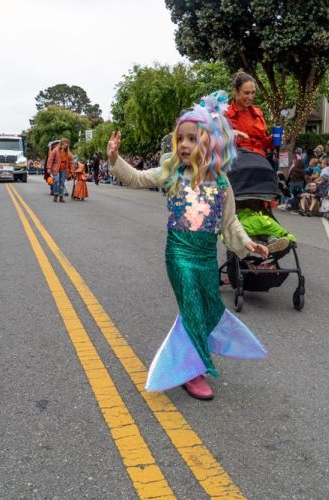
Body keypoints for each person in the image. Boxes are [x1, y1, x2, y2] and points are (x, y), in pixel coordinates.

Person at [107, 91, 268, 400]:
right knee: (191, 308)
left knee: (209, 310)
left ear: (208, 142)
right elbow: (137, 178)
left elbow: (230, 223)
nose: (183, 145)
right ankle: (192, 372)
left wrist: (248, 243)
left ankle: (189, 358)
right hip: (179, 255)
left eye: (192, 139)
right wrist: (115, 158)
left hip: (207, 257)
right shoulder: (171, 175)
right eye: (180, 138)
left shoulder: (221, 183)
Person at [225, 72, 273, 157]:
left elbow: (263, 143)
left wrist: (274, 139)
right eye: (246, 93)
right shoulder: (225, 113)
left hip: (259, 162)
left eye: (253, 92)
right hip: (237, 164)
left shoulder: (258, 113)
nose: (250, 97)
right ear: (236, 91)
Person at [47, 138, 74, 203]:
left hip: (64, 169)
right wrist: (49, 168)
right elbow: (50, 159)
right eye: (64, 145)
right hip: (56, 168)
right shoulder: (55, 150)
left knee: (62, 183)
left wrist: (72, 170)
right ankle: (56, 195)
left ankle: (61, 196)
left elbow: (71, 162)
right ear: (61, 144)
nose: (65, 146)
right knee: (56, 181)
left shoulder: (68, 152)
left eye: (67, 145)